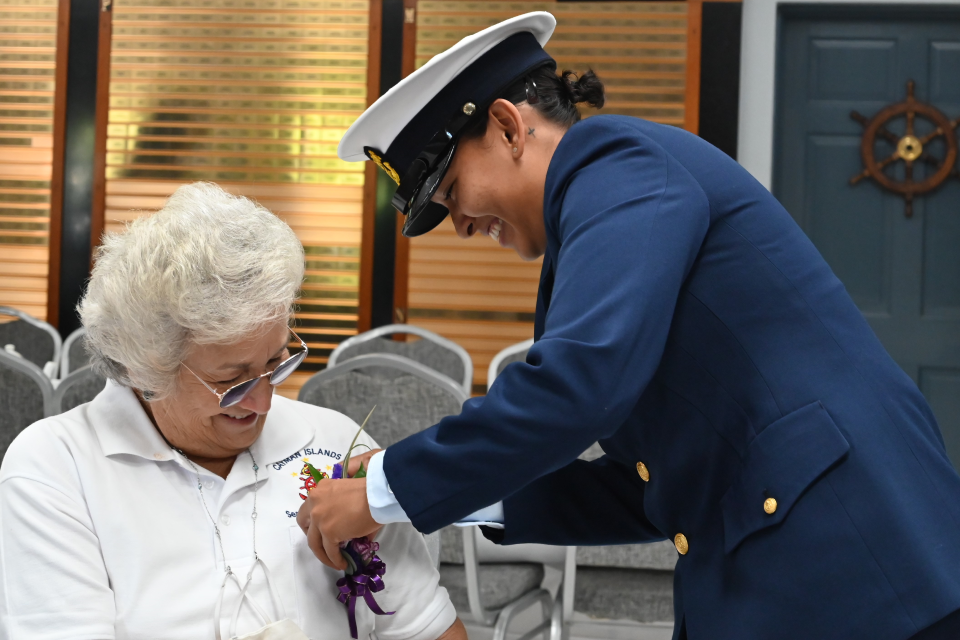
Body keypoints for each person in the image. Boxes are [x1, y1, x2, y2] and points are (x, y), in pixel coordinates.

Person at [295, 12, 960, 640]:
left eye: (450, 190)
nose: (461, 223)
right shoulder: (600, 213)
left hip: (859, 564)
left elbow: (578, 388)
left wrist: (386, 486)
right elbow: (645, 486)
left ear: (506, 126)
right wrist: (440, 496)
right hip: (788, 572)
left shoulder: (618, 164)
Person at [0, 182, 466, 640]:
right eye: (230, 381)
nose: (264, 402)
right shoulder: (57, 470)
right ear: (145, 369)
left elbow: (429, 629)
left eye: (276, 363)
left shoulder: (334, 445)